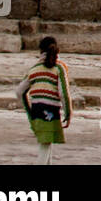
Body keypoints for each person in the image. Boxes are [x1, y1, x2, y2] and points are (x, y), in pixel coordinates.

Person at [16, 36, 72, 165]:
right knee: (45, 145)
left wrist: (29, 111)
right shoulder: (59, 68)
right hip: (51, 110)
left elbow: (19, 91)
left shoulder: (34, 69)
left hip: (36, 109)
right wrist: (68, 113)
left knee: (46, 142)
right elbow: (63, 93)